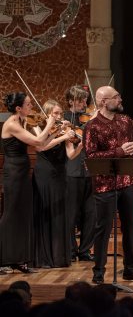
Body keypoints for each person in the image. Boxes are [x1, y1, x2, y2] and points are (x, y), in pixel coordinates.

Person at [84, 85, 133, 284]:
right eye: (116, 97)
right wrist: (120, 151)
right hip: (105, 185)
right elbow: (91, 155)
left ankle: (131, 268)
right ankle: (99, 272)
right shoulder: (92, 126)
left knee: (131, 227)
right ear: (103, 101)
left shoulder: (126, 121)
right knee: (103, 230)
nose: (120, 99)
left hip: (127, 181)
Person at [0, 92, 54, 273]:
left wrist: (55, 132)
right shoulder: (12, 124)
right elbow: (38, 140)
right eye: (29, 104)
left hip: (22, 173)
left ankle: (18, 259)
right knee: (11, 214)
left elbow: (41, 146)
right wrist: (50, 125)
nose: (32, 107)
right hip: (13, 173)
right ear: (18, 108)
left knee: (22, 215)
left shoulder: (23, 122)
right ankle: (3, 258)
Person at [32, 99, 82, 268]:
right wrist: (60, 135)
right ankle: (44, 257)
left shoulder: (64, 130)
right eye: (56, 113)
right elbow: (42, 147)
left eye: (60, 113)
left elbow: (70, 155)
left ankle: (59, 257)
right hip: (44, 174)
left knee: (60, 214)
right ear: (47, 114)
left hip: (60, 175)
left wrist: (80, 146)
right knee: (45, 212)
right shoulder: (38, 127)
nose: (60, 116)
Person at [64, 84, 96, 262]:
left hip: (90, 170)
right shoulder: (65, 119)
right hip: (72, 171)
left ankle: (85, 251)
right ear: (70, 101)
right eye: (80, 100)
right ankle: (70, 250)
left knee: (91, 213)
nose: (84, 103)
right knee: (72, 214)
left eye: (85, 99)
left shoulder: (89, 119)